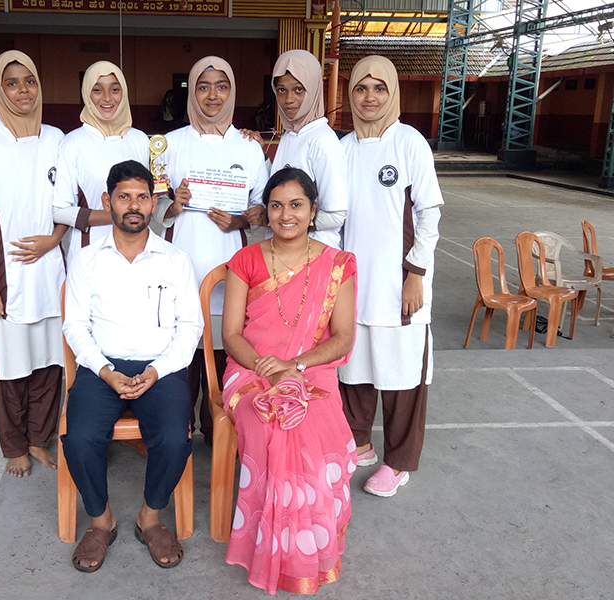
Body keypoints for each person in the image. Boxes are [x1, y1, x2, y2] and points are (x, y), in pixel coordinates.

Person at [61, 160, 203, 573]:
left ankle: (150, 517)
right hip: (102, 369)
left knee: (175, 437)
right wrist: (105, 371)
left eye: (143, 197)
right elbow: (75, 326)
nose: (134, 206)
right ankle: (101, 520)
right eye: (124, 197)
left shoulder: (175, 259)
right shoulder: (86, 260)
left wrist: (157, 370)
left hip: (160, 369)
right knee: (80, 436)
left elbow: (190, 327)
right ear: (108, 202)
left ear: (154, 203)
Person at [221, 167, 358, 594]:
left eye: (296, 205)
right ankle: (273, 543)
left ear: (313, 211)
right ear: (266, 211)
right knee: (267, 418)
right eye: (276, 205)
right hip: (250, 369)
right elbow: (231, 336)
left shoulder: (337, 264)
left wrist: (294, 365)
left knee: (307, 420)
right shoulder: (246, 259)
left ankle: (305, 545)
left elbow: (342, 338)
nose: (286, 215)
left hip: (310, 369)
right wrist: (267, 366)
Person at [338, 55, 443, 498]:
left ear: (392, 92)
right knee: (354, 370)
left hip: (399, 285)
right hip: (353, 283)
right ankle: (359, 445)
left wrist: (415, 273)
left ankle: (398, 463)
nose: (369, 97)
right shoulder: (343, 148)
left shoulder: (409, 142)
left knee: (401, 376)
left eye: (379, 88)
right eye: (361, 88)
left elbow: (429, 215)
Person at [0, 50, 66, 478]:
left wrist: (53, 239)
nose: (23, 90)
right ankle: (15, 445)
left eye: (30, 81)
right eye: (12, 83)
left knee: (50, 361)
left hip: (51, 269)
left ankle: (39, 439)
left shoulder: (57, 139)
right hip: (6, 275)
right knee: (11, 364)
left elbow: (68, 204)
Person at [155, 56, 268, 446]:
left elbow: (262, 209)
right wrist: (173, 205)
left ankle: (218, 433)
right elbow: (151, 208)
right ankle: (177, 432)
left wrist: (241, 221)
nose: (213, 95)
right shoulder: (170, 145)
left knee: (223, 355)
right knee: (181, 357)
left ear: (232, 92)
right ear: (191, 92)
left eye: (222, 86)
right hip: (181, 268)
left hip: (229, 270)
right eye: (203, 86)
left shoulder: (248, 147)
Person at [243, 49, 347, 249]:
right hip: (285, 252)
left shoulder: (323, 141)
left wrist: (280, 219)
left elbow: (335, 216)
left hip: (314, 254)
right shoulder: (291, 134)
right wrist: (259, 154)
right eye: (282, 90)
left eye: (298, 89)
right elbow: (282, 183)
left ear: (313, 89)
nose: (288, 99)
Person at [53, 61, 149, 265]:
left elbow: (148, 199)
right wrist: (118, 215)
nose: (107, 98)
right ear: (86, 94)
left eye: (115, 89)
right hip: (90, 255)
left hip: (138, 253)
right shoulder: (74, 142)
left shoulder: (140, 140)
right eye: (97, 90)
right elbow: (60, 210)